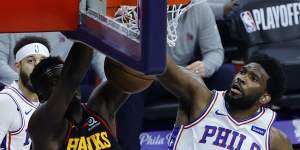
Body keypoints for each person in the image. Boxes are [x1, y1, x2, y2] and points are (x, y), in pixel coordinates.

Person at [117, 2, 235, 150]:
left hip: (186, 75)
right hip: (151, 77)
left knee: (225, 75)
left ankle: (226, 141)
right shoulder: (139, 8)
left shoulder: (200, 8)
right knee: (130, 88)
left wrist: (205, 66)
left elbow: (215, 51)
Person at [27, 32, 151, 149]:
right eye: (55, 83)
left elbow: (131, 74)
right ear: (41, 97)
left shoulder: (100, 108)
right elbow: (70, 79)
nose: (63, 86)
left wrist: (135, 29)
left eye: (61, 78)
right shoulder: (40, 125)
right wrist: (89, 26)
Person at [159, 54, 293, 150]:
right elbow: (161, 63)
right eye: (242, 72)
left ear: (264, 98)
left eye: (253, 78)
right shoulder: (201, 99)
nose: (241, 78)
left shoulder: (275, 140)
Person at [0, 36, 50, 149]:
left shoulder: (46, 101)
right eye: (30, 61)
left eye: (42, 61)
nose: (38, 67)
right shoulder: (6, 101)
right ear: (18, 66)